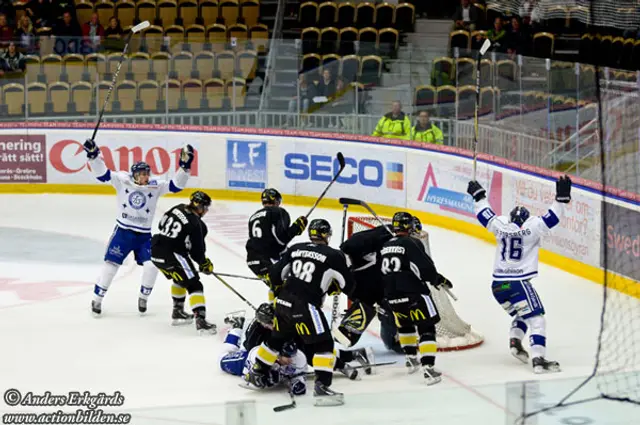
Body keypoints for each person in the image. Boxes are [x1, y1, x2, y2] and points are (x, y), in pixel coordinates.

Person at [467, 176, 571, 374]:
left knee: (522, 314)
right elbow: (553, 218)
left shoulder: (500, 226)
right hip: (517, 284)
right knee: (537, 320)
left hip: (498, 286)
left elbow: (484, 214)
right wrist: (561, 199)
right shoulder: (533, 227)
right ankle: (538, 360)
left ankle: (515, 343)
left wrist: (479, 196)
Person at [246, 219, 356, 406]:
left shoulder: (295, 248)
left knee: (276, 339)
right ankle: (322, 387)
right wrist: (334, 287)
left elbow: (275, 275)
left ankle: (257, 371)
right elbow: (349, 286)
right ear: (326, 235)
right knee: (324, 343)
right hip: (305, 305)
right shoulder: (334, 255)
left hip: (281, 301)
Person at [82, 138, 194, 317]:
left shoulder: (154, 186)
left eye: (146, 173)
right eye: (141, 173)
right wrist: (93, 155)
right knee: (111, 266)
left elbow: (176, 186)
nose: (144, 177)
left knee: (152, 266)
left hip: (144, 236)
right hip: (123, 233)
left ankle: (143, 297)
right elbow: (102, 174)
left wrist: (185, 167)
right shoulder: (122, 180)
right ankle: (97, 299)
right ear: (134, 174)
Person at [381, 212, 452, 385]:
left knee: (405, 325)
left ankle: (411, 358)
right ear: (408, 226)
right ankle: (428, 368)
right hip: (414, 294)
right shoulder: (412, 242)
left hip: (391, 296)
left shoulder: (384, 246)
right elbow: (425, 269)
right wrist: (438, 279)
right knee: (426, 327)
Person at [151, 191, 217, 334]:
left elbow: (162, 224)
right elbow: (197, 252)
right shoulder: (195, 223)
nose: (206, 211)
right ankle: (201, 321)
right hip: (172, 254)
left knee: (179, 278)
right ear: (200, 206)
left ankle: (178, 312)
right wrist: (204, 264)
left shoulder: (178, 207)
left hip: (155, 251)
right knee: (194, 284)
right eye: (205, 207)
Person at [220, 305, 308, 395]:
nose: (270, 325)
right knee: (224, 357)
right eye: (267, 323)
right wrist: (268, 367)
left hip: (272, 352)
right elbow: (251, 350)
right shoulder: (256, 330)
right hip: (254, 353)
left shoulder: (285, 325)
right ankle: (236, 326)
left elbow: (299, 351)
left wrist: (296, 381)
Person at [245, 188, 307, 300]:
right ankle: (277, 314)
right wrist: (295, 229)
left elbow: (266, 241)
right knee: (284, 286)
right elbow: (280, 241)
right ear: (277, 201)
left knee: (276, 284)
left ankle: (273, 312)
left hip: (252, 259)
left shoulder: (253, 217)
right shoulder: (278, 212)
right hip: (267, 259)